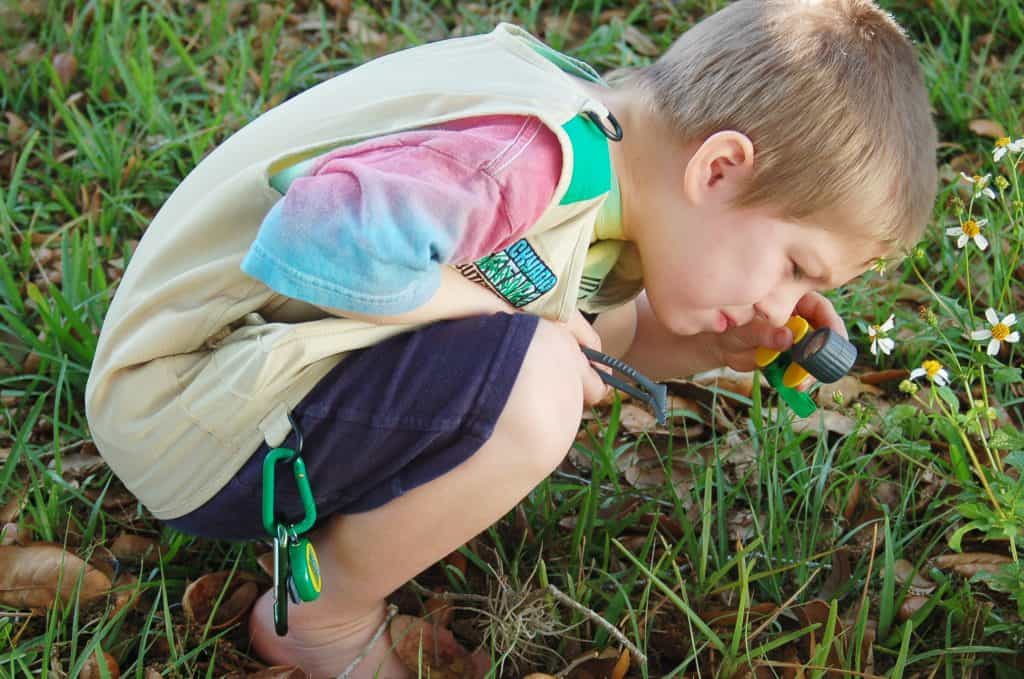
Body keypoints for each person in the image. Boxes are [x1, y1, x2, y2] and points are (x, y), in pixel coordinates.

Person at [85, 1, 937, 677]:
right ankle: (319, 614)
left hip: (234, 386)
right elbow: (314, 240)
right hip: (185, 407)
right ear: (717, 169)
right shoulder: (529, 156)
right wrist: (517, 322)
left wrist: (713, 350)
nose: (781, 298)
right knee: (535, 388)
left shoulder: (607, 164)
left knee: (541, 356)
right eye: (793, 264)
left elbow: (603, 330)